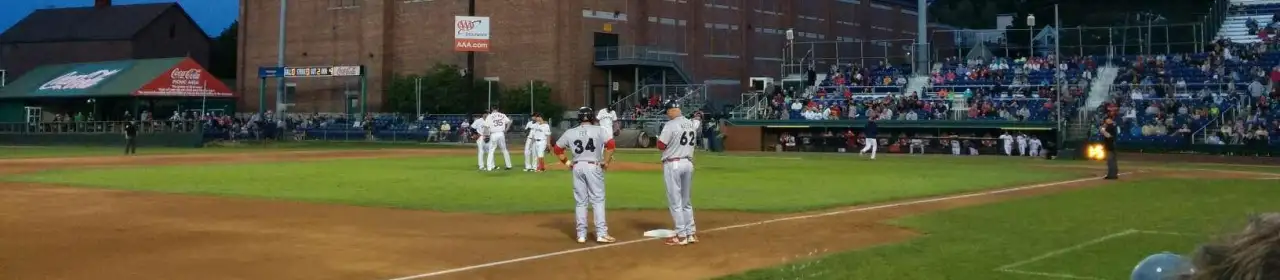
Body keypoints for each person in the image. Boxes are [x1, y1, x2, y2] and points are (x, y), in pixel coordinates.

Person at [551, 107, 617, 244]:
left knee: (581, 201)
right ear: (592, 117)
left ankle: (581, 235)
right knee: (598, 200)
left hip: (577, 167)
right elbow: (611, 144)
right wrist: (606, 161)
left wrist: (567, 162)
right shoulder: (599, 130)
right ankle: (601, 233)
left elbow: (557, 149)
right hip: (593, 166)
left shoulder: (570, 132)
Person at [657, 100, 699, 246]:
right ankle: (691, 233)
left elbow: (661, 145)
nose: (667, 114)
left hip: (673, 164)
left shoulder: (671, 125)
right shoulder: (690, 124)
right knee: (686, 201)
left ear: (671, 110)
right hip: (688, 163)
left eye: (667, 111)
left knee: (675, 201)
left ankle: (681, 235)